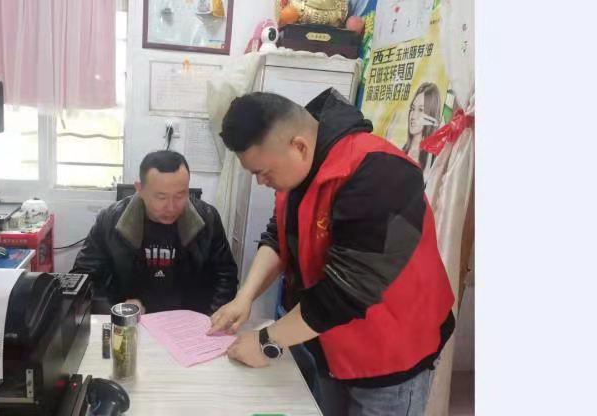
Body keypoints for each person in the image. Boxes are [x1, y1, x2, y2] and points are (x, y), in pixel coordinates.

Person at [210, 89, 455, 416]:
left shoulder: (382, 174)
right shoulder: (301, 168)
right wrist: (245, 297)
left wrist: (268, 341)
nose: (261, 182)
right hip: (329, 341)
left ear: (299, 146)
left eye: (263, 172)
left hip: (390, 357)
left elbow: (347, 292)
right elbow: (279, 237)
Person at [70, 150, 238, 315]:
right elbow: (83, 279)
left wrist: (209, 318)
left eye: (180, 195)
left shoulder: (207, 219)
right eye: (161, 197)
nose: (171, 207)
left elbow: (226, 277)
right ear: (140, 189)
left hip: (189, 322)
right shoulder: (110, 220)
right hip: (131, 324)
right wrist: (118, 310)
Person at [402, 82, 442, 177]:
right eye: (412, 108)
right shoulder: (401, 150)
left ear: (431, 114)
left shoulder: (433, 159)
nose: (413, 116)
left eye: (420, 110)